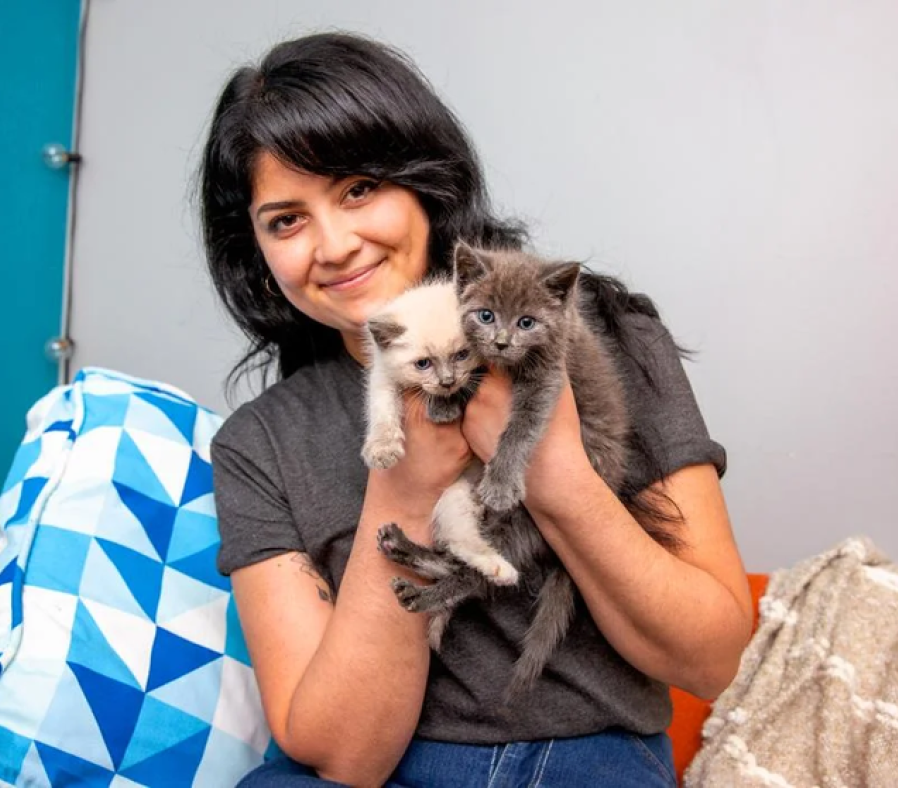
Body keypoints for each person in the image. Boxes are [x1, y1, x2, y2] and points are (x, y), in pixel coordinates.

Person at [200, 31, 753, 788]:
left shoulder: (604, 338)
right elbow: (342, 756)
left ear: (424, 184)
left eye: (359, 189)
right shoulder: (258, 444)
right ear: (258, 257)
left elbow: (714, 659)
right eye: (286, 220)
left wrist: (552, 469)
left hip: (584, 757)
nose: (334, 244)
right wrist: (405, 490)